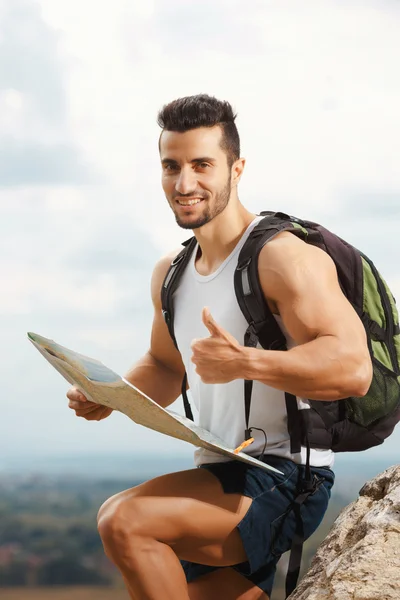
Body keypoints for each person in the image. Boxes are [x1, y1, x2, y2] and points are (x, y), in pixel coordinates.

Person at [67, 94, 372, 600]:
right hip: (216, 477)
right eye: (171, 166)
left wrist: (244, 361)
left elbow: (352, 367)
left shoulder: (282, 258)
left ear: (237, 168)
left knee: (123, 520)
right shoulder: (171, 274)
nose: (184, 184)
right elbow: (165, 367)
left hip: (286, 479)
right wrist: (109, 395)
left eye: (202, 165)